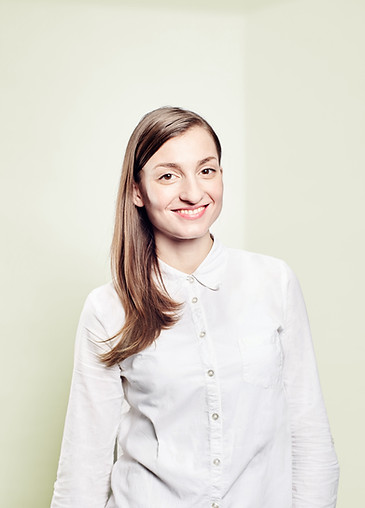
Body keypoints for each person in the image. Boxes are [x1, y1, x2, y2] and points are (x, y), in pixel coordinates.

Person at [51, 106, 339, 508]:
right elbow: (84, 463)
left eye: (207, 170)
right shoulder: (107, 308)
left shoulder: (274, 282)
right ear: (137, 190)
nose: (193, 192)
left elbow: (309, 435)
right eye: (168, 175)